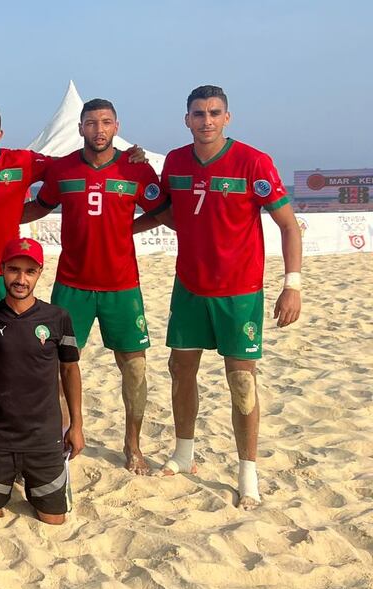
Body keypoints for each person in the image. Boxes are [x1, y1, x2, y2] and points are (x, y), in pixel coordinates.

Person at [148, 85, 302, 509]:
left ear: (227, 118)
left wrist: (293, 285)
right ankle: (184, 453)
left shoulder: (254, 162)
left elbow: (289, 226)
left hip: (240, 292)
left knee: (241, 382)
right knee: (181, 370)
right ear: (187, 120)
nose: (206, 120)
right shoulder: (176, 162)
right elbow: (172, 213)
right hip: (190, 288)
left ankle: (247, 473)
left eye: (214, 112)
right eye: (198, 113)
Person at [19, 99, 168, 474]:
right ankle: (65, 435)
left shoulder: (135, 167)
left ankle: (132, 445)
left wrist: (129, 229)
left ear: (117, 125)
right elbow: (40, 205)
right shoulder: (65, 168)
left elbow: (164, 209)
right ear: (80, 127)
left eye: (105, 122)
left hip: (122, 285)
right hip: (72, 284)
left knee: (134, 367)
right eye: (90, 123)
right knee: (59, 364)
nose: (98, 130)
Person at [0, 238, 83, 525]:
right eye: (14, 270)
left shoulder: (57, 317)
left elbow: (70, 370)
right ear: (1, 269)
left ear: (40, 272)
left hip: (45, 438)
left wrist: (76, 426)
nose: (21, 279)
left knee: (54, 520)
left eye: (29, 271)